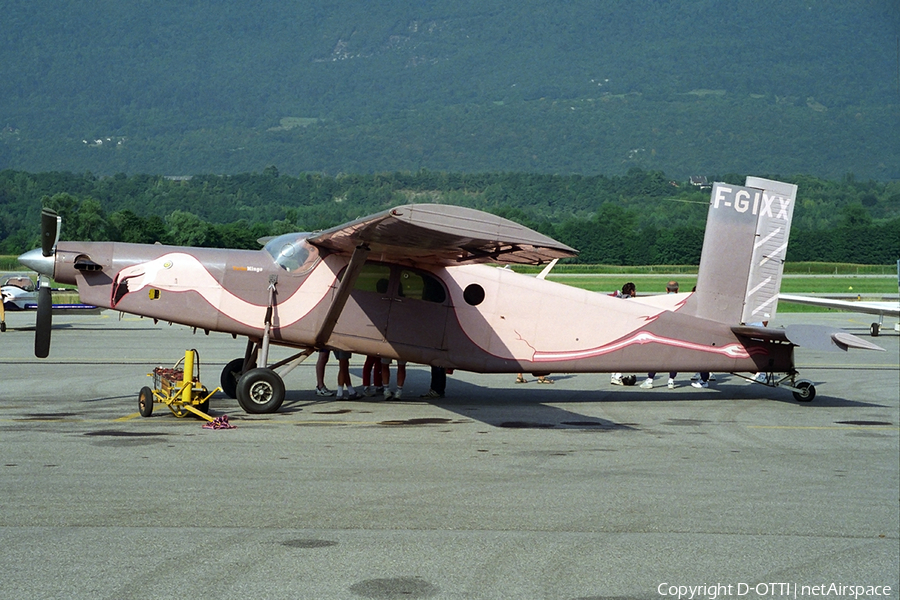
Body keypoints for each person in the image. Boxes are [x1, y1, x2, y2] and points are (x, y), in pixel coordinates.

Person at [641, 280, 679, 389]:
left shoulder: (662, 301)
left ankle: (650, 379)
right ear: (678, 290)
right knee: (673, 357)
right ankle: (671, 380)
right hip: (675, 332)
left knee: (657, 357)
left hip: (663, 332)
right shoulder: (681, 301)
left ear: (666, 289)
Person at [611, 282, 636, 386]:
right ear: (632, 291)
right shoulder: (631, 301)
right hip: (625, 330)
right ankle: (617, 376)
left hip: (616, 328)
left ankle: (614, 374)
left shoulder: (618, 298)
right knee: (622, 354)